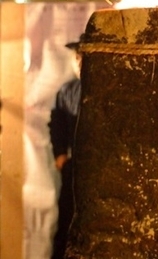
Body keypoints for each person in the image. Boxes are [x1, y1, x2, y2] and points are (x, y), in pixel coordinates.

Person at [48, 39, 82, 259]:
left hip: (99, 169)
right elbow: (57, 124)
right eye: (77, 57)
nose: (79, 62)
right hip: (73, 169)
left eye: (83, 57)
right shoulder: (67, 91)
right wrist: (60, 155)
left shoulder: (107, 90)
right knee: (66, 221)